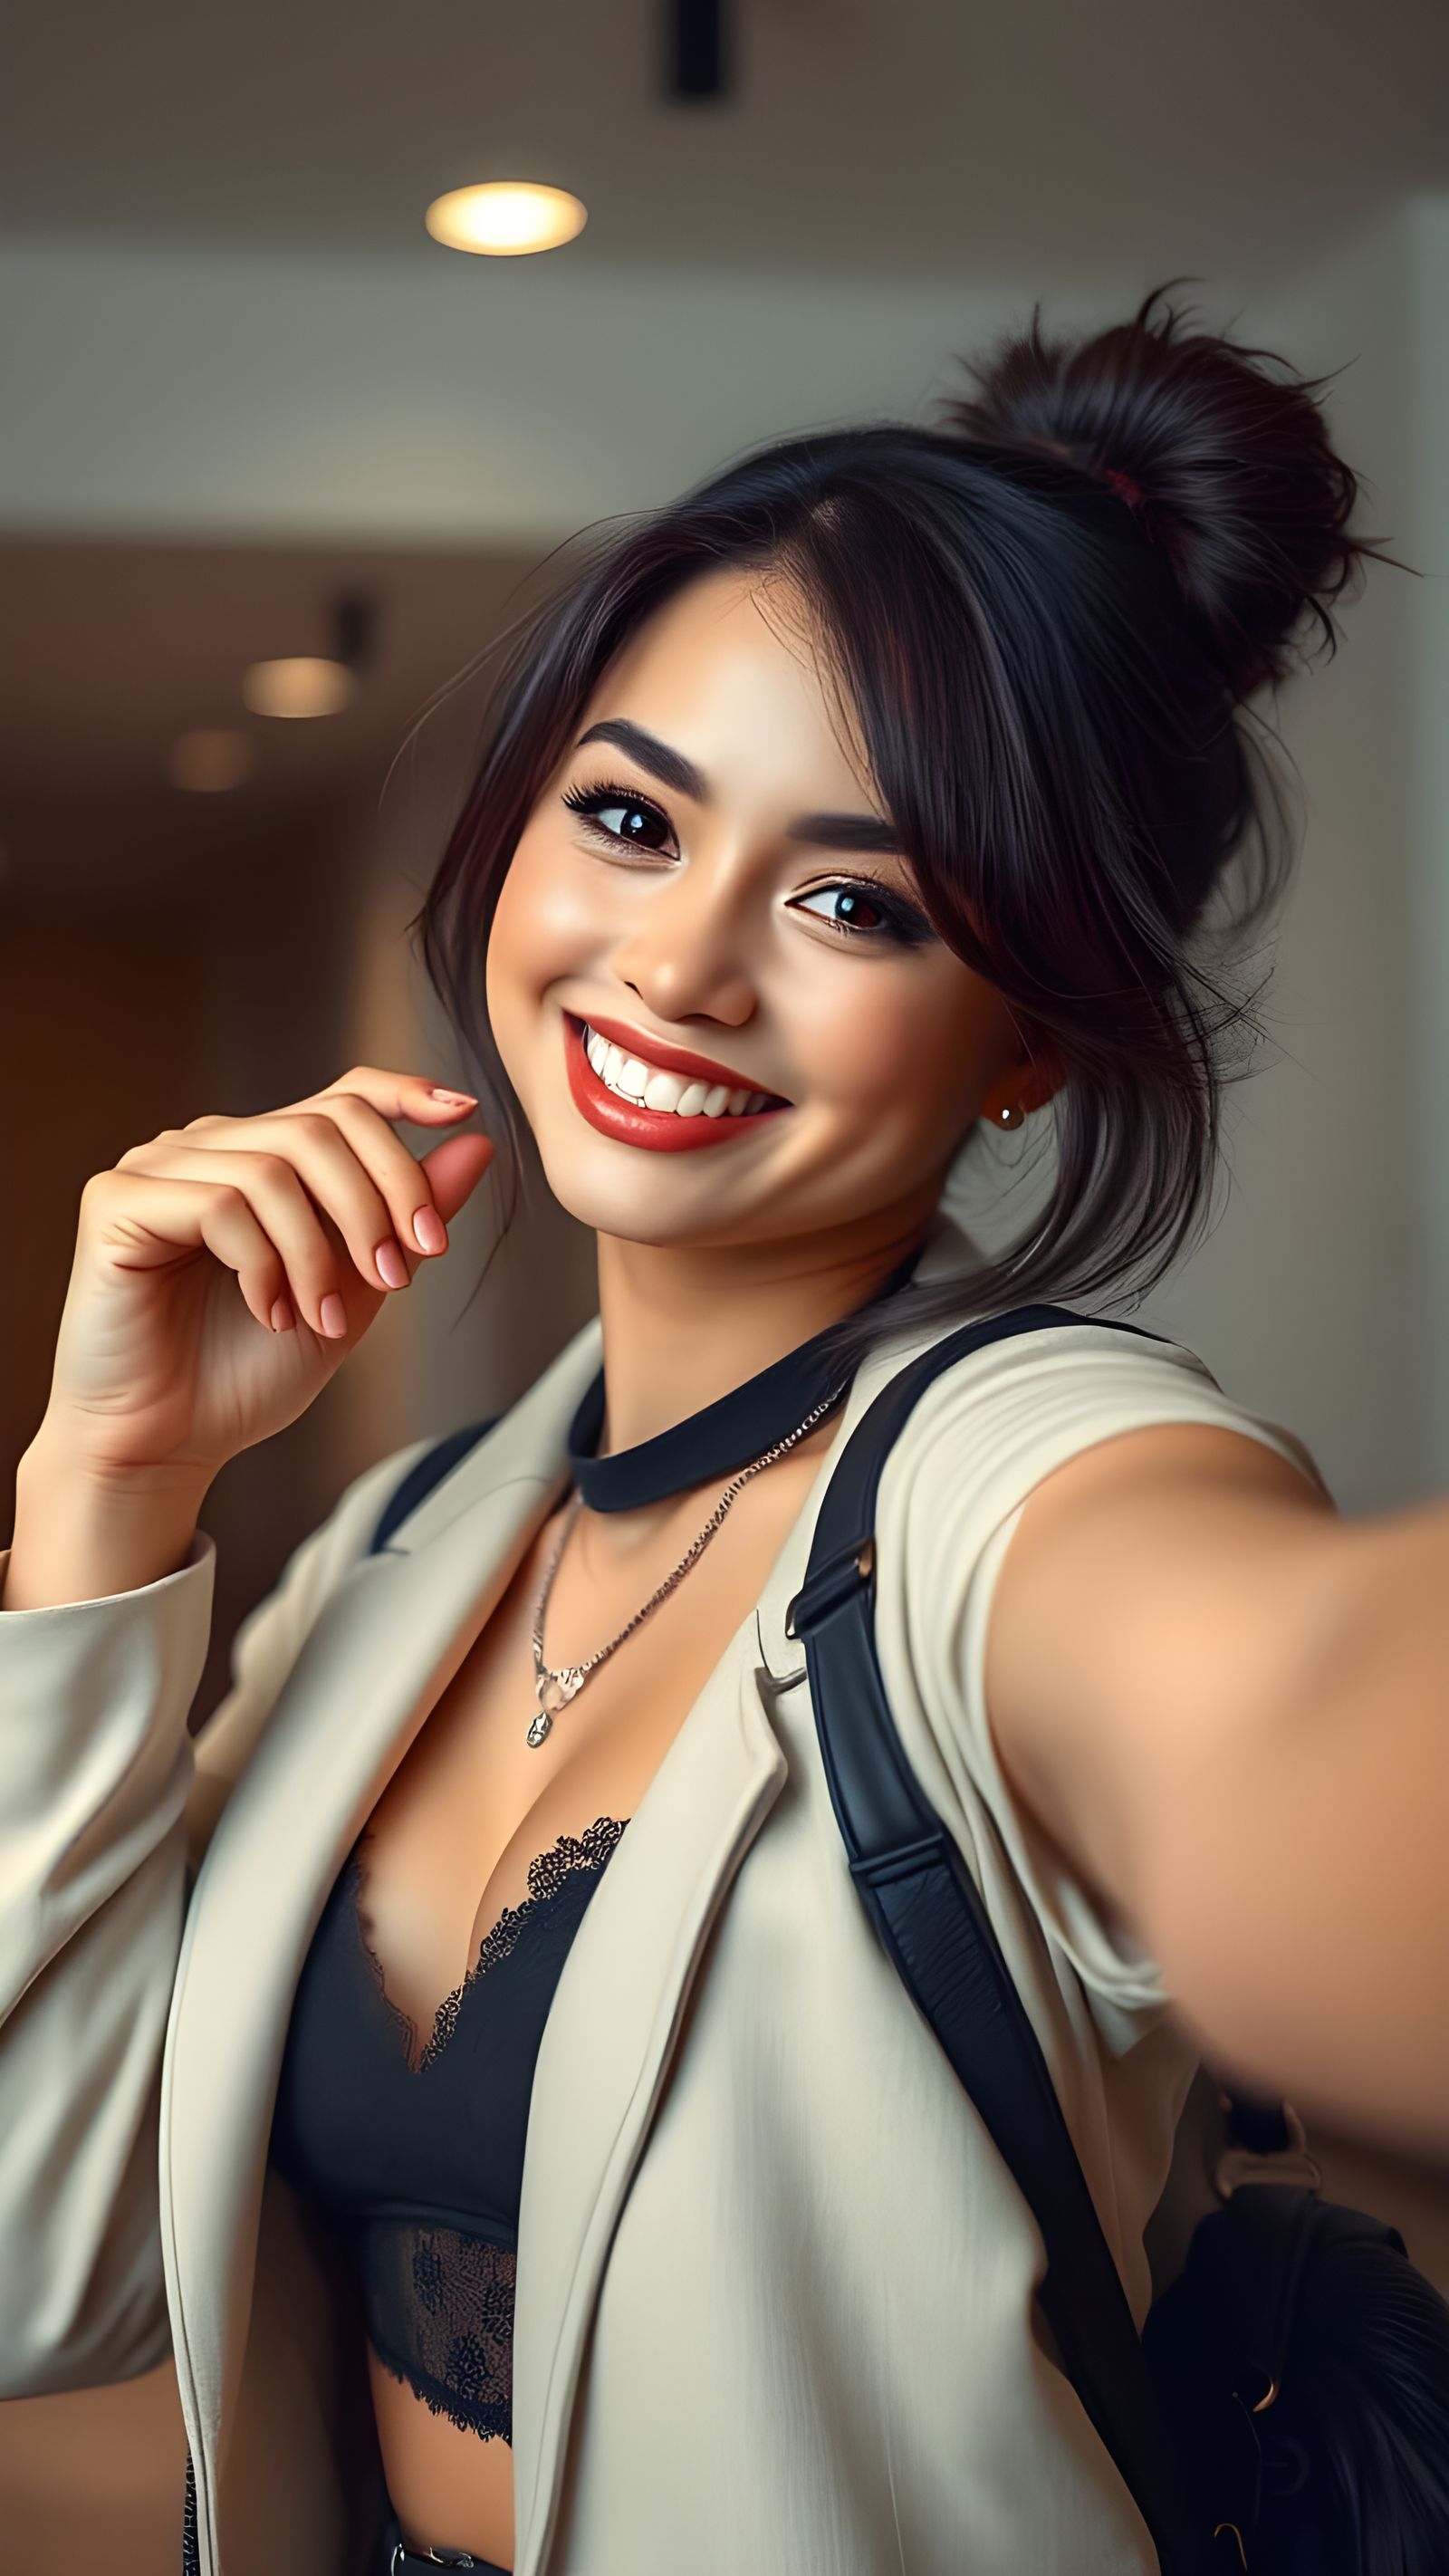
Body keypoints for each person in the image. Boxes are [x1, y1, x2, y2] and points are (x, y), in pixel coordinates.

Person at [0, 280, 1438, 2576]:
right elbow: (32, 2273)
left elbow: (1272, 1696)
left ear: (1025, 1042)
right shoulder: (409, 1541)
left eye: (853, 897)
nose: (678, 965)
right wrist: (108, 1498)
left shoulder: (1034, 1490)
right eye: (632, 817)